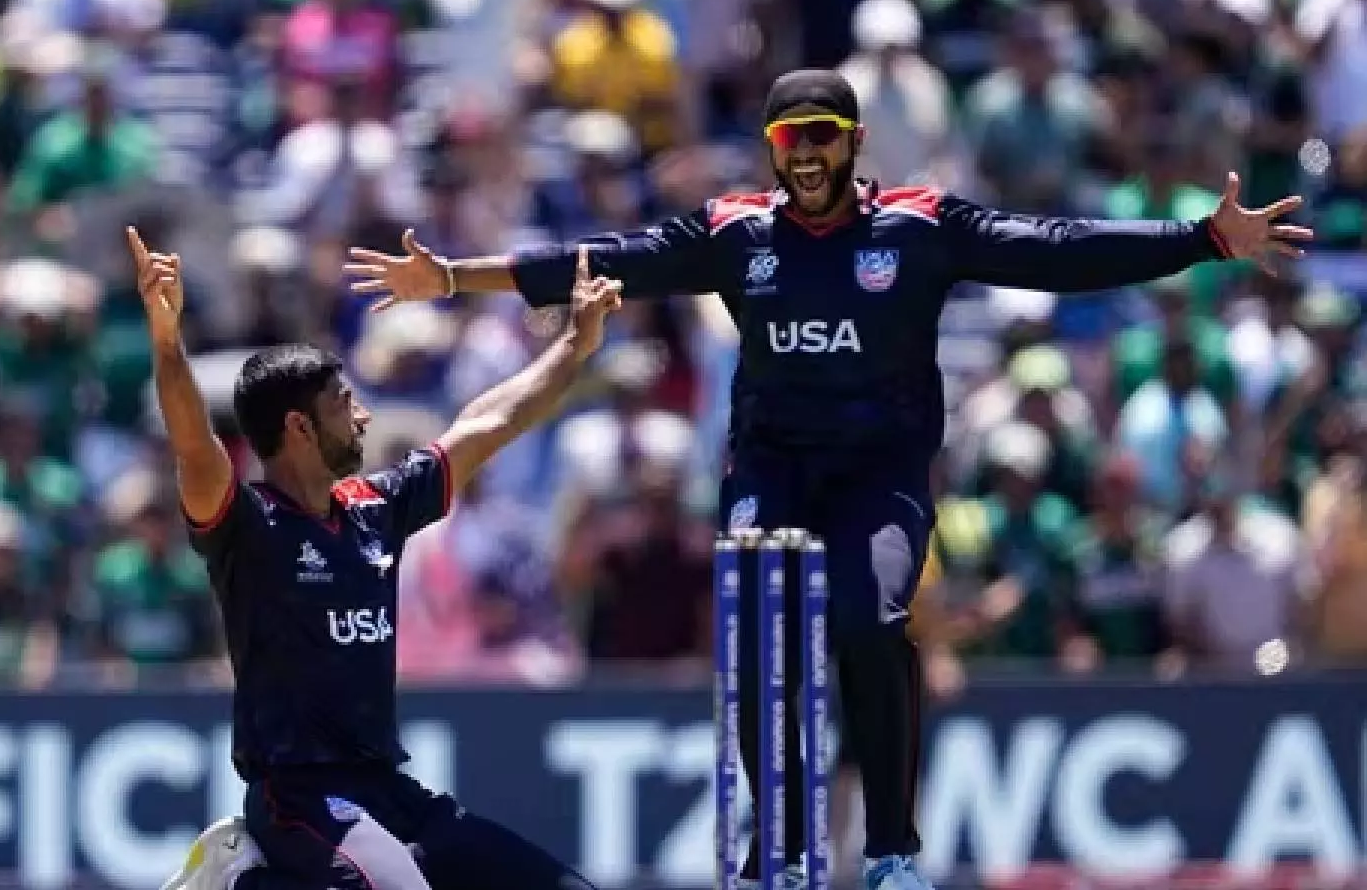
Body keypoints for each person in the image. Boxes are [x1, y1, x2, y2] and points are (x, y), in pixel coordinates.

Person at [341, 69, 1314, 890]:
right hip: (774, 468)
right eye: (788, 139)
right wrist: (454, 277)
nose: (805, 156)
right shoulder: (737, 234)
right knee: (758, 623)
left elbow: (1054, 251)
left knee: (868, 619)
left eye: (822, 136)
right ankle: (783, 848)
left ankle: (891, 855)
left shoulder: (920, 227)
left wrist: (1203, 238)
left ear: (853, 141)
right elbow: (608, 261)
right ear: (770, 149)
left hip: (880, 476)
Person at [133, 225, 621, 890]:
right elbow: (194, 446)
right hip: (299, 799)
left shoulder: (375, 508)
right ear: (299, 428)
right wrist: (167, 340)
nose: (363, 417)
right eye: (344, 404)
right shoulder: (247, 526)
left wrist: (572, 347)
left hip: (390, 790)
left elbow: (487, 424)